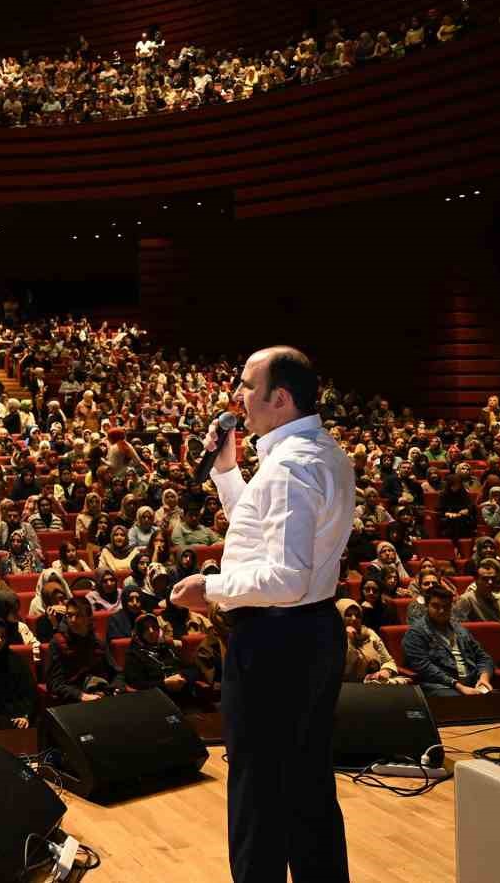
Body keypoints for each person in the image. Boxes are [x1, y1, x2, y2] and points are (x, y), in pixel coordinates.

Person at [168, 346, 353, 883]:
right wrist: (228, 472)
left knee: (258, 797)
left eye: (248, 386)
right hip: (310, 633)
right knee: (307, 789)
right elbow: (261, 533)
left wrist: (214, 588)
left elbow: (285, 578)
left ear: (281, 398)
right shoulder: (316, 451)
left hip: (276, 643)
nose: (238, 397)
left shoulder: (291, 468)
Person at [402, 586, 495, 697]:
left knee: (498, 698)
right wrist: (458, 686)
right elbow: (424, 667)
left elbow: (483, 657)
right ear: (426, 606)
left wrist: (484, 678)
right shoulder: (416, 633)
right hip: (440, 686)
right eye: (436, 606)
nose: (441, 611)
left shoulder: (459, 629)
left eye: (446, 607)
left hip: (472, 682)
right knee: (460, 700)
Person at [44, 595, 116, 704]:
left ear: (89, 618)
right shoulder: (57, 643)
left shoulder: (98, 642)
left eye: (79, 615)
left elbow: (116, 672)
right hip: (73, 701)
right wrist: (81, 696)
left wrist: (115, 688)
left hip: (100, 695)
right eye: (69, 615)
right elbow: (54, 683)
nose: (73, 620)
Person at [334, 598, 402, 684]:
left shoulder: (369, 633)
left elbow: (388, 660)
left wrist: (386, 671)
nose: (354, 619)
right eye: (348, 615)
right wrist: (349, 639)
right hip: (346, 687)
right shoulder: (332, 638)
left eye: (358, 615)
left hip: (374, 684)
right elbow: (345, 670)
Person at [453, 559, 500, 623]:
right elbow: (456, 624)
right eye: (485, 579)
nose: (490, 582)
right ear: (476, 581)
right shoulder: (467, 599)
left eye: (493, 578)